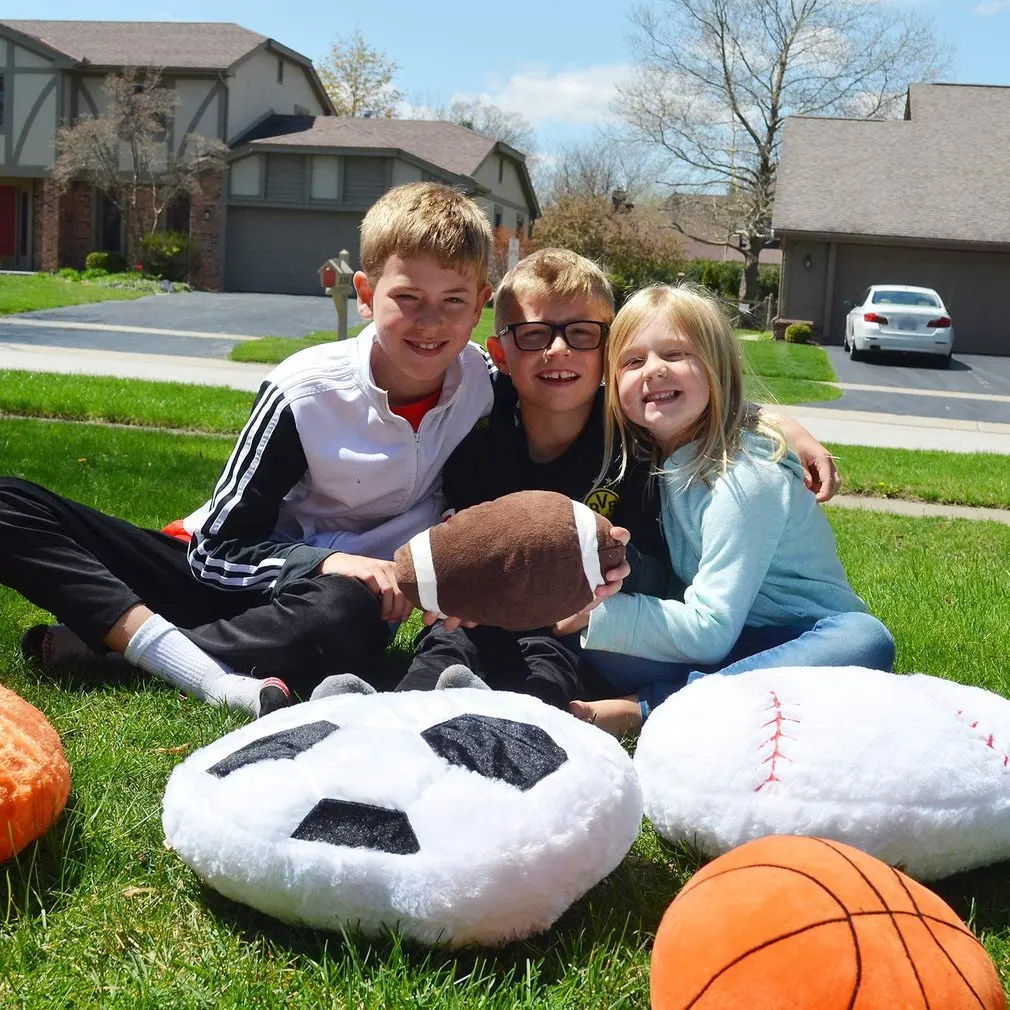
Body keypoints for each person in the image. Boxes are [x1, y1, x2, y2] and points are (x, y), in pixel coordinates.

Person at [2, 182, 501, 716]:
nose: (430, 322)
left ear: (480, 305)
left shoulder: (485, 387)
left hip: (331, 606)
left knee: (343, 615)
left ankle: (125, 645)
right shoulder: (305, 391)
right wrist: (325, 562)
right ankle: (184, 658)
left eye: (454, 300)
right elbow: (216, 549)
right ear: (364, 294)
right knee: (7, 505)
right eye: (407, 298)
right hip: (212, 575)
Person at [398, 250, 846, 708]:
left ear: (603, 354)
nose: (559, 349)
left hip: (587, 621)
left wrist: (612, 565)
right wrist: (455, 582)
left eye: (581, 333)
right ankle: (391, 717)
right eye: (533, 335)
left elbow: (661, 570)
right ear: (502, 355)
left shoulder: (637, 445)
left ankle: (569, 717)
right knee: (454, 647)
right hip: (492, 615)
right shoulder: (479, 427)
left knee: (555, 664)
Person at [566, 284, 895, 736]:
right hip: (734, 643)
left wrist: (597, 615)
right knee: (601, 647)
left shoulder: (746, 478)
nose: (654, 370)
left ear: (717, 367)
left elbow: (709, 630)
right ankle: (730, 692)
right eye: (633, 361)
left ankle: (652, 706)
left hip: (804, 639)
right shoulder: (655, 454)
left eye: (675, 354)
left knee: (866, 642)